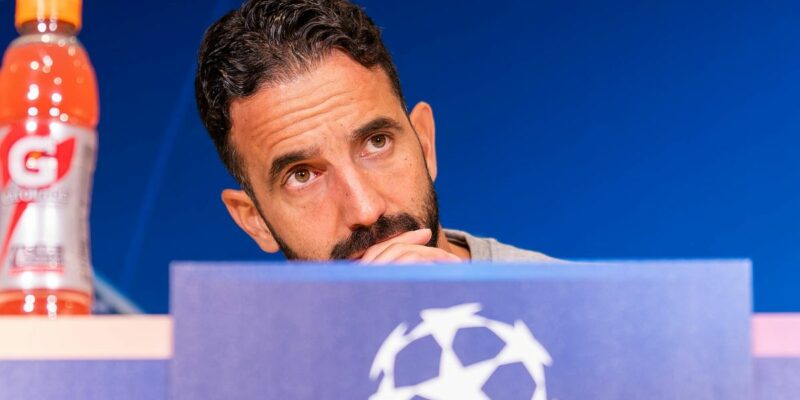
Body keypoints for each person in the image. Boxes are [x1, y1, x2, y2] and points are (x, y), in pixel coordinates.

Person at [194, 0, 553, 263]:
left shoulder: (575, 315)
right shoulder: (236, 348)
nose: (365, 211)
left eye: (376, 143)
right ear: (255, 220)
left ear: (424, 144)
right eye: (301, 175)